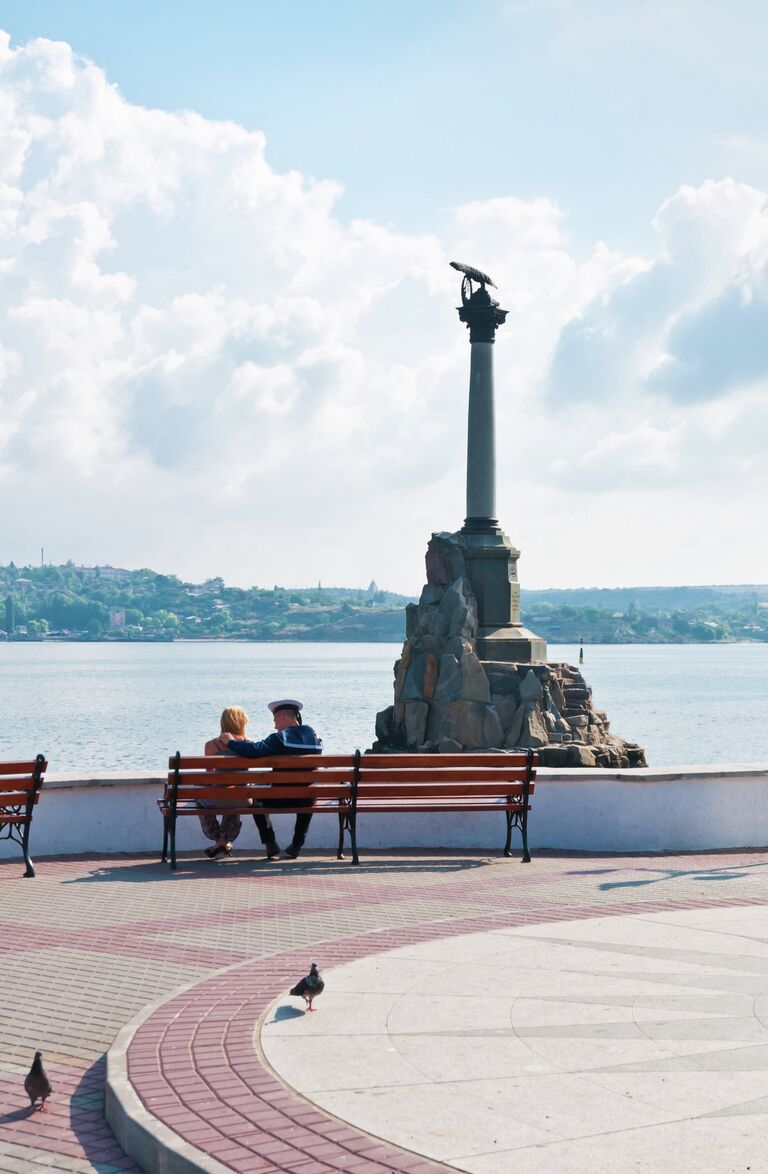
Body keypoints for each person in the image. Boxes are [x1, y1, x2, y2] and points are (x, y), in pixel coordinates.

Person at [218, 698, 322, 860]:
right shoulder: (313, 737)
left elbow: (252, 750)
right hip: (305, 799)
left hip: (280, 798)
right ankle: (296, 845)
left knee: (256, 798)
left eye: (275, 719)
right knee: (307, 792)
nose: (274, 725)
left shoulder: (279, 738)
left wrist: (230, 742)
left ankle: (270, 842)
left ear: (282, 717)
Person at [198, 706, 250, 859]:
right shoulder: (249, 744)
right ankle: (223, 840)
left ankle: (217, 837)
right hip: (243, 800)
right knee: (233, 796)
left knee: (202, 794)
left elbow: (208, 776)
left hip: (216, 799)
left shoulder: (210, 745)